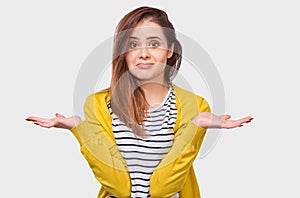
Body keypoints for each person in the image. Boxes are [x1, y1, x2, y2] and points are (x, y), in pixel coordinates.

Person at [26, 6, 253, 198]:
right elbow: (119, 187)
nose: (143, 53)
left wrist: (195, 127)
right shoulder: (98, 104)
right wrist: (81, 129)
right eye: (133, 45)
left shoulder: (194, 106)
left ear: (170, 50)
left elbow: (163, 188)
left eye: (154, 43)